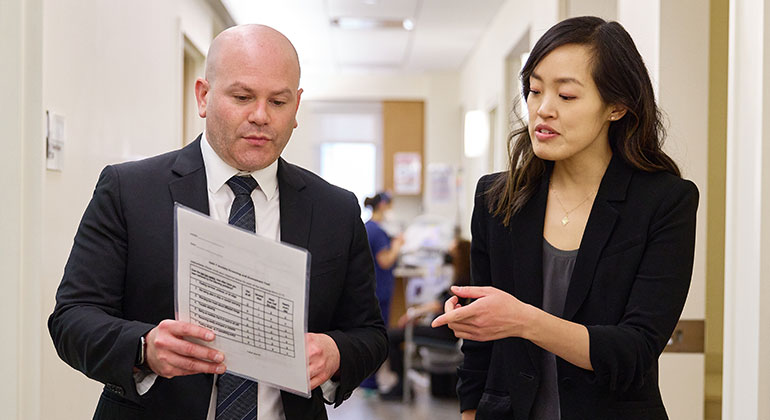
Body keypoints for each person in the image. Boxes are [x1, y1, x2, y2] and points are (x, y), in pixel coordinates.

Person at [48, 24, 387, 420]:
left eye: (278, 102)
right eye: (242, 97)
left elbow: (370, 334)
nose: (260, 116)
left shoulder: (335, 209)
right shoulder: (129, 191)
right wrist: (144, 347)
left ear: (296, 107)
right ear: (204, 96)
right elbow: (72, 318)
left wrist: (335, 354)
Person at [432, 16, 698, 420]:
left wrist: (521, 320)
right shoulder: (496, 199)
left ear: (617, 106)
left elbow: (636, 350)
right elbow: (480, 349)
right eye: (535, 91)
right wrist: (469, 411)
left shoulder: (664, 202)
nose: (543, 110)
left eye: (567, 96)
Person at [381, 238, 471, 399]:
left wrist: (413, 313)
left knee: (391, 336)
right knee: (394, 335)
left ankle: (402, 387)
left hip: (446, 333)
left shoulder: (464, 281)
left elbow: (440, 305)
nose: (448, 255)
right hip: (440, 328)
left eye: (452, 252)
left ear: (461, 255)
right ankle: (402, 384)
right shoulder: (460, 277)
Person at [359, 192, 403, 391]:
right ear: (383, 205)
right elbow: (385, 261)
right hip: (380, 291)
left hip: (371, 289)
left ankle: (368, 381)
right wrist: (397, 245)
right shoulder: (378, 231)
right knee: (378, 336)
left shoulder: (368, 227)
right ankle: (370, 382)